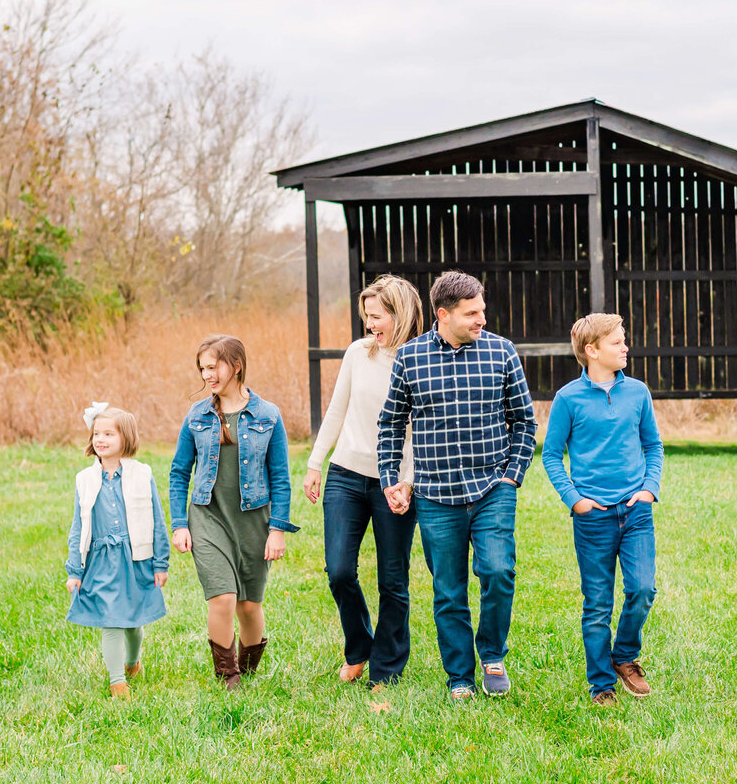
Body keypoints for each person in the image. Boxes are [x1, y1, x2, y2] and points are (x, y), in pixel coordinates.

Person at [377, 270, 536, 701]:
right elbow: (390, 424)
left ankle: (493, 656)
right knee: (448, 590)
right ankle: (460, 676)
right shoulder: (410, 359)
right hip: (435, 495)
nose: (482, 319)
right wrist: (391, 478)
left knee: (499, 572)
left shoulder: (502, 352)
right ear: (443, 314)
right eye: (472, 313)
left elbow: (524, 422)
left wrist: (511, 475)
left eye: (482, 310)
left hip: (492, 487)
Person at [303, 275, 422, 687]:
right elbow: (337, 409)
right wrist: (316, 463)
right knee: (338, 570)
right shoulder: (358, 353)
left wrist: (406, 481)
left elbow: (421, 431)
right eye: (366, 316)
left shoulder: (423, 359)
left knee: (393, 577)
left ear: (399, 313)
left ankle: (386, 666)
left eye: (376, 316)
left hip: (395, 483)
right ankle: (359, 648)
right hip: (346, 475)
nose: (370, 325)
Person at [540, 314, 663, 706]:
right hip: (592, 517)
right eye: (616, 342)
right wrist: (574, 500)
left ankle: (624, 655)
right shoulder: (568, 399)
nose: (625, 347)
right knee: (596, 604)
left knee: (642, 589)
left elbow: (654, 446)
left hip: (636, 512)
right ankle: (601, 684)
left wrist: (649, 489)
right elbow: (551, 454)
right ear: (591, 351)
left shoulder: (638, 393)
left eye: (624, 340)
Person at [169, 335, 298, 689]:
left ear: (236, 365)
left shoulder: (268, 415)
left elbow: (281, 478)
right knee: (223, 597)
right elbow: (179, 473)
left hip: (254, 520)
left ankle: (248, 667)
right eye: (203, 368)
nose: (207, 374)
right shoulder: (197, 416)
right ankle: (228, 675)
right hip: (207, 516)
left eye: (213, 366)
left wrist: (277, 530)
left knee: (249, 606)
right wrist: (180, 524)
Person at [64, 404, 170, 699]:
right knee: (111, 621)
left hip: (135, 558)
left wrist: (160, 563)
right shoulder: (84, 480)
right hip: (101, 561)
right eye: (97, 433)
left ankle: (133, 662)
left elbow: (157, 521)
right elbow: (78, 527)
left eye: (109, 433)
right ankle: (116, 681)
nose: (101, 439)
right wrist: (75, 570)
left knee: (133, 622)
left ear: (126, 437)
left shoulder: (141, 474)